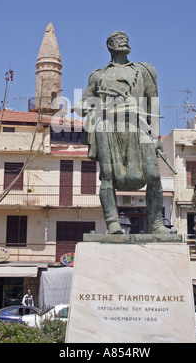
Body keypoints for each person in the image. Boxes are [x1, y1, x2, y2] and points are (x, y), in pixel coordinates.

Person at [73, 31, 172, 235]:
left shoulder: (143, 71)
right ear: (110, 46)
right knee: (107, 177)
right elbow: (83, 105)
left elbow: (153, 103)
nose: (123, 40)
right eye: (118, 39)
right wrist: (94, 104)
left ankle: (155, 223)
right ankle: (113, 223)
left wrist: (156, 136)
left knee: (153, 174)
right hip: (108, 127)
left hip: (139, 126)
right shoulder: (98, 75)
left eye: (125, 38)